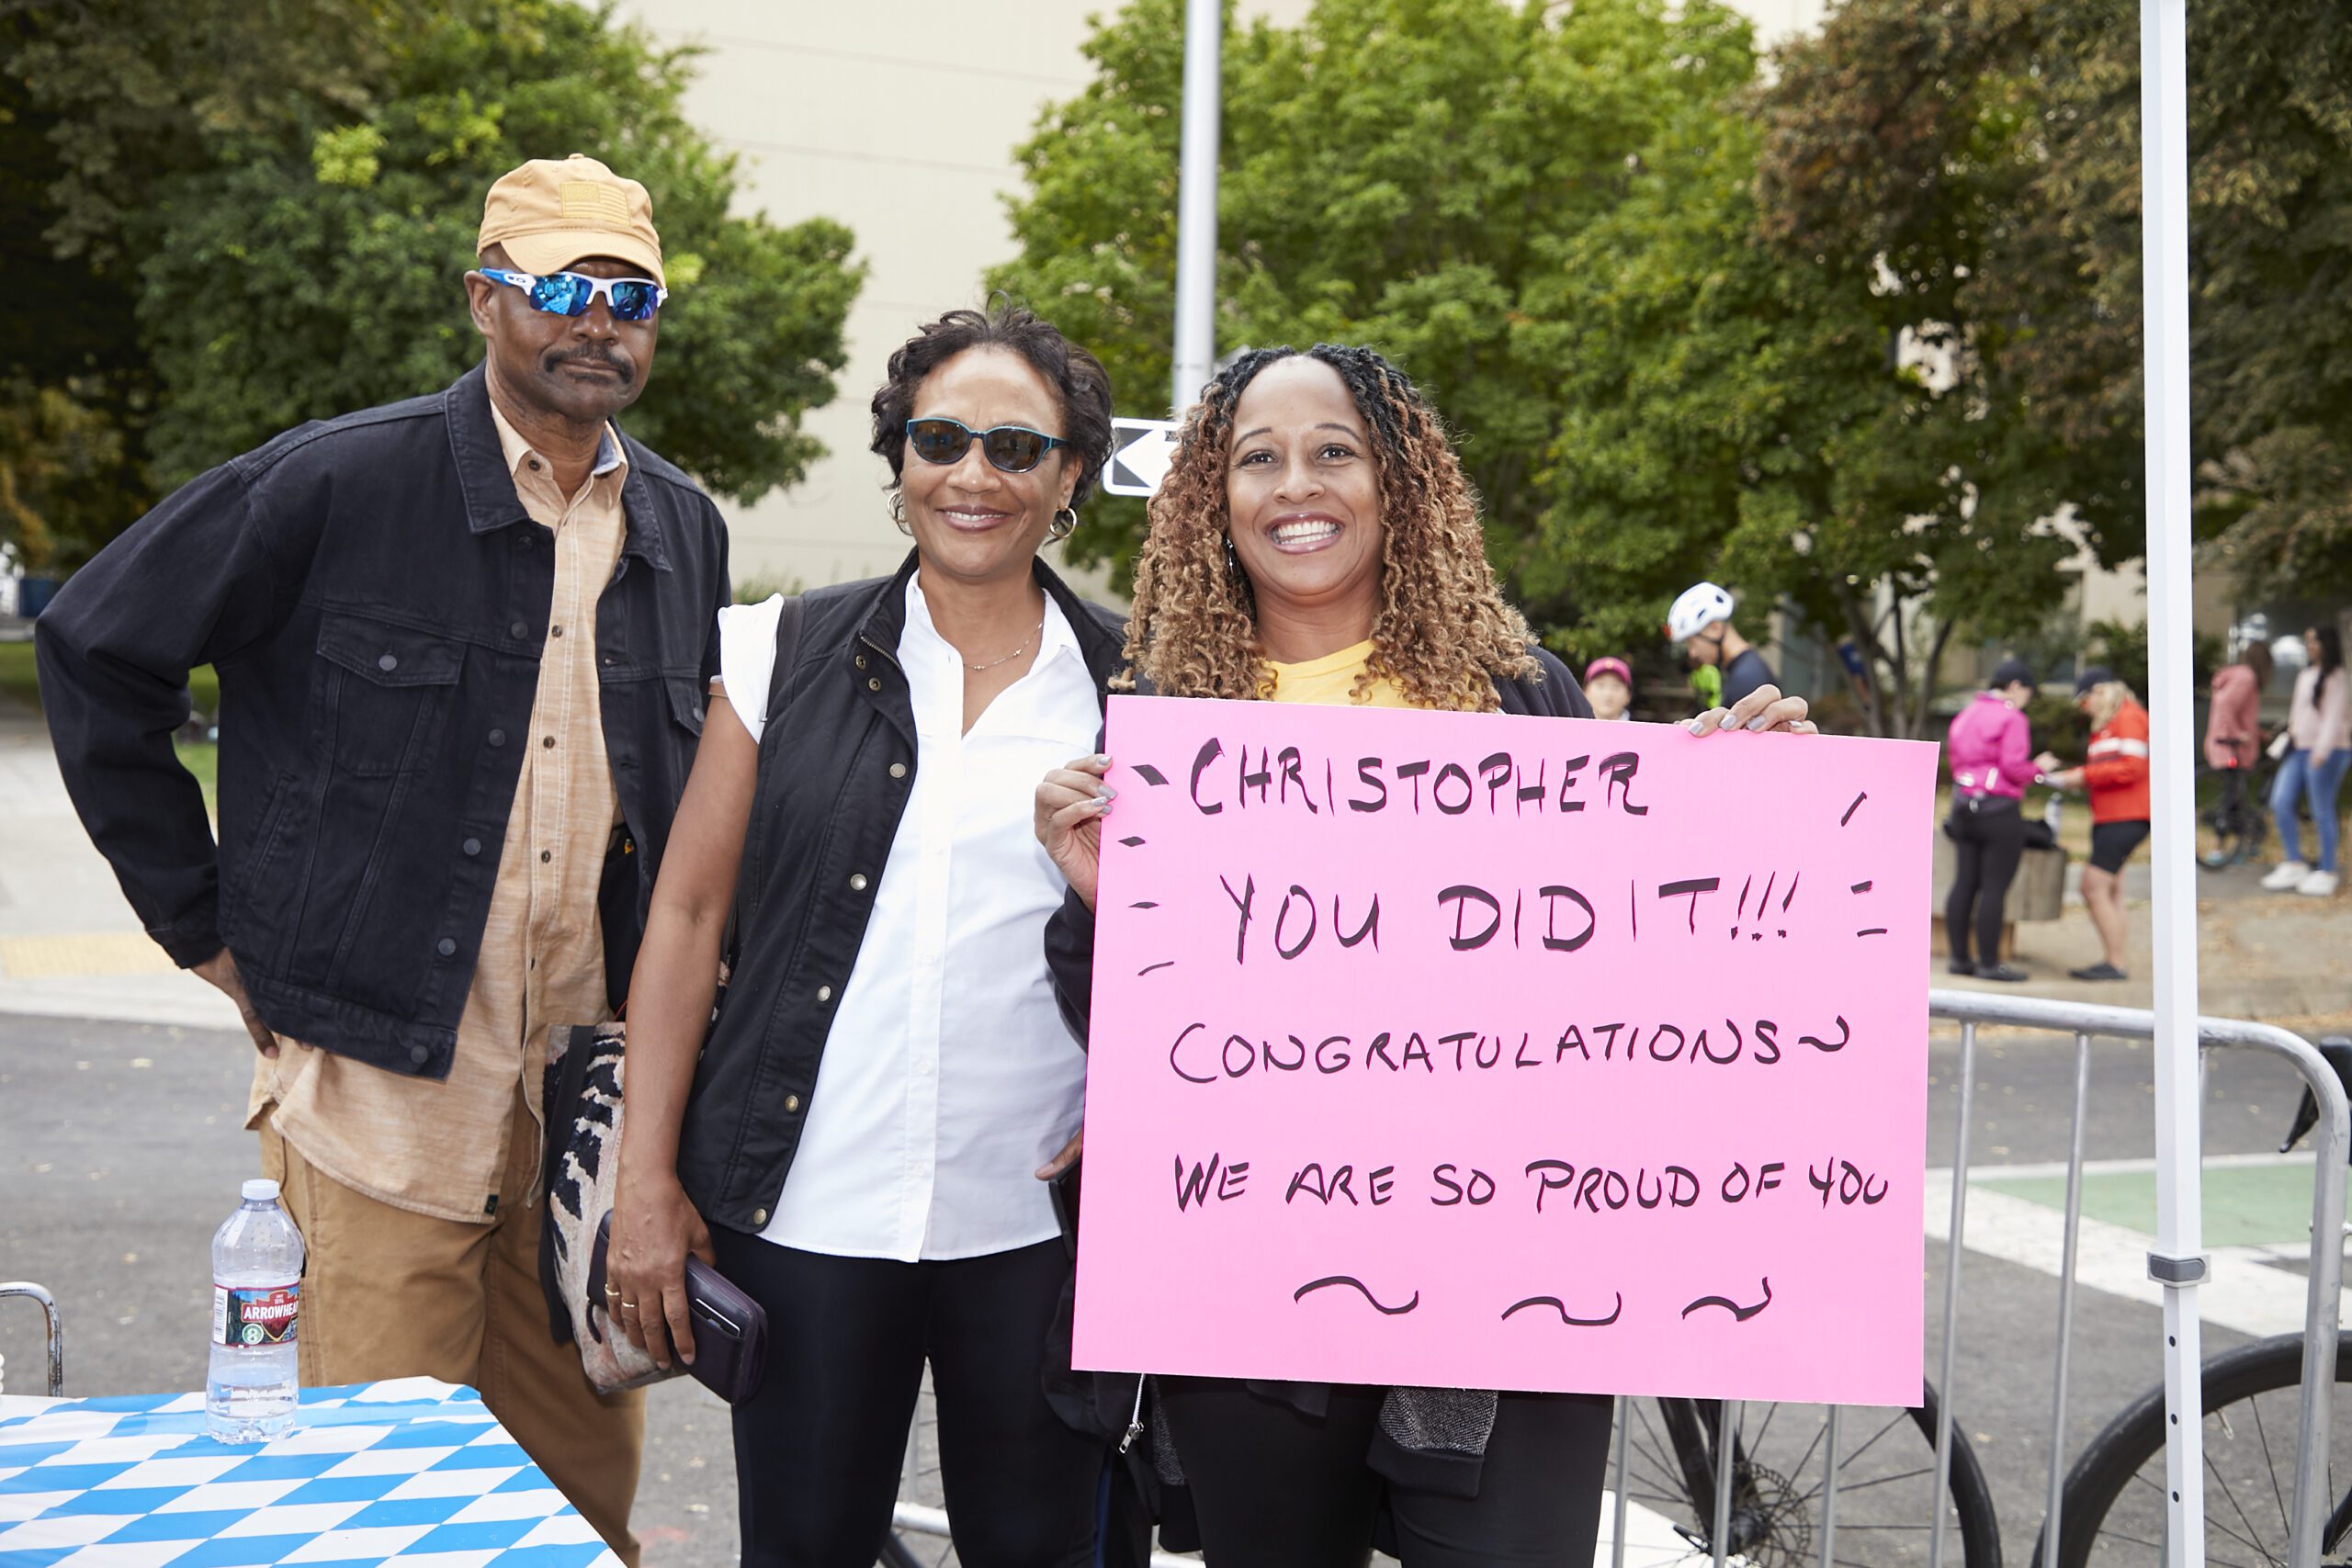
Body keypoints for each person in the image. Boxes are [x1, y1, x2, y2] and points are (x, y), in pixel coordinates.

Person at [33, 154, 724, 1561]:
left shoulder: (681, 526)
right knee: (368, 1506)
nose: (602, 321)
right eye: (566, 289)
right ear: (485, 300)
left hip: (584, 1122)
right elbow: (95, 649)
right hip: (381, 1105)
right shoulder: (334, 482)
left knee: (579, 1507)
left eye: (632, 294)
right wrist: (208, 925)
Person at [1032, 344, 1815, 1568]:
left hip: (1512, 1276)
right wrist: (1100, 898)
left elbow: (1641, 972)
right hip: (1259, 1278)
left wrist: (1749, 813)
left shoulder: (1517, 697)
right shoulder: (1170, 721)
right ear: (1210, 500)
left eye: (1335, 449)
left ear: (1399, 483)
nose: (1297, 485)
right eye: (1258, 458)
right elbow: (1125, 1028)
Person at [603, 304, 1127, 1568]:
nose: (975, 473)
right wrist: (642, 1179)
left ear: (1067, 481)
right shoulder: (780, 646)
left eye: (1018, 446)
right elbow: (684, 913)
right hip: (808, 1212)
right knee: (803, 1547)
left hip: (1041, 1230)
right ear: (899, 457)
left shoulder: (1138, 686)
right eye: (942, 437)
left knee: (1045, 1551)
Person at [2034, 667, 2149, 982]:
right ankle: (2116, 959)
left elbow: (2132, 767)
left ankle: (2114, 963)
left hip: (2127, 815)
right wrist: (2075, 779)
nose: (2084, 709)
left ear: (2100, 691)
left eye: (2084, 701)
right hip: (2108, 814)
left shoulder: (2129, 717)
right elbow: (2108, 770)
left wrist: (2082, 776)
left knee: (2093, 886)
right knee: (2112, 890)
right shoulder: (2107, 725)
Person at [1942, 659, 2036, 982]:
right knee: (1994, 887)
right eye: (2028, 693)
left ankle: (1958, 959)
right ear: (2015, 687)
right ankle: (1989, 963)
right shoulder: (2013, 717)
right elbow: (2013, 766)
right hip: (1998, 808)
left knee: (1965, 881)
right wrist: (2038, 770)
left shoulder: (1966, 714)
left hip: (1963, 806)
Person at [2261, 625, 2347, 897]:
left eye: (2314, 641)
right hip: (2298, 750)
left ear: (2326, 644)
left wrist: (2320, 753)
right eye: (2307, 641)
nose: (2309, 646)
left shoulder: (2339, 677)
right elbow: (2297, 713)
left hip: (2329, 751)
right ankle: (2294, 861)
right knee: (2280, 802)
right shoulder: (2305, 675)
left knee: (2321, 810)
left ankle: (2327, 870)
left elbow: (2334, 718)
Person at [1668, 580, 1778, 710]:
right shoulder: (1745, 668)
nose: (1693, 653)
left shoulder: (1746, 678)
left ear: (1715, 628)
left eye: (1692, 642)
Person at [2203, 638, 2273, 840]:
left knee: (2235, 796)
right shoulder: (2247, 678)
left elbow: (2243, 715)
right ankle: (2220, 838)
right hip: (2230, 747)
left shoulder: (2241, 676)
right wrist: (2236, 734)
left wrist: (2259, 734)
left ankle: (2236, 845)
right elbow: (2225, 705)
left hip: (2225, 743)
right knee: (2231, 797)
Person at [1583, 655, 1634, 720]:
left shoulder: (1641, 730)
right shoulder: (1573, 728)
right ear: (1586, 691)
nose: (1608, 693)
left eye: (1616, 686)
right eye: (1600, 685)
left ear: (1628, 696)